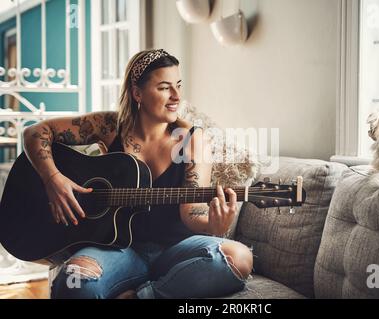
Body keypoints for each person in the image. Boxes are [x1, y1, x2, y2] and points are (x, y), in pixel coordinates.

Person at [22, 49, 253, 299]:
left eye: (178, 85)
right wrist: (53, 179)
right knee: (73, 282)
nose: (177, 96)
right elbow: (36, 132)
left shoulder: (192, 140)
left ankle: (144, 295)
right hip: (116, 248)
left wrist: (212, 224)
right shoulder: (110, 128)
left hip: (176, 250)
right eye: (165, 87)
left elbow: (191, 213)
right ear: (137, 93)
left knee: (239, 257)